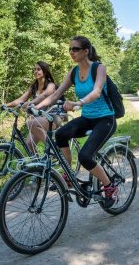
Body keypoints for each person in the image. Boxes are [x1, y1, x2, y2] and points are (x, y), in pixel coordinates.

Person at [34, 36, 118, 203]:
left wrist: (78, 103)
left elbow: (97, 91)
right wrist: (36, 107)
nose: (71, 52)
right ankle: (68, 174)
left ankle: (109, 186)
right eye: (70, 49)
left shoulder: (99, 68)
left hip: (105, 119)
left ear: (86, 51)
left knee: (85, 156)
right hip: (87, 118)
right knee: (60, 135)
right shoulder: (74, 72)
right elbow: (56, 94)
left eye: (75, 49)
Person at [6, 61, 62, 153]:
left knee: (31, 123)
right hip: (39, 119)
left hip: (54, 116)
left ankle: (53, 149)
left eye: (38, 69)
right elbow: (21, 99)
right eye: (34, 69)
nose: (35, 71)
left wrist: (31, 103)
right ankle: (38, 166)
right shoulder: (33, 87)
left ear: (45, 72)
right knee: (29, 144)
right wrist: (6, 105)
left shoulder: (51, 85)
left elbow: (45, 95)